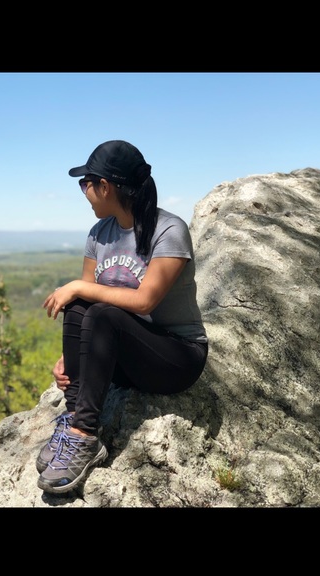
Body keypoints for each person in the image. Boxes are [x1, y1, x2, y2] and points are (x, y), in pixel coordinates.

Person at [36, 140, 209, 495]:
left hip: (175, 358)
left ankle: (85, 434)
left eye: (86, 183)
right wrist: (72, 359)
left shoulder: (168, 231)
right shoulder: (100, 233)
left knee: (100, 311)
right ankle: (74, 420)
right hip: (125, 355)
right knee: (80, 306)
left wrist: (76, 287)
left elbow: (144, 301)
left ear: (105, 186)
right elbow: (85, 305)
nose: (84, 191)